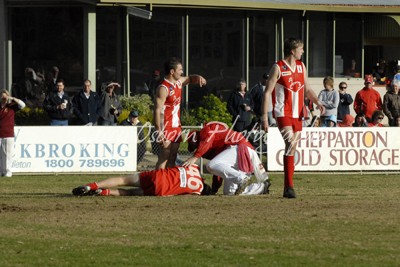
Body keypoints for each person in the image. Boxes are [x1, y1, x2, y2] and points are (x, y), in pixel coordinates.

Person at [261, 37, 325, 199]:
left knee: (292, 147)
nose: (303, 51)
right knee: (290, 142)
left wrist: (317, 102)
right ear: (292, 50)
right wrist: (264, 117)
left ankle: (287, 187)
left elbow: (308, 88)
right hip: (283, 112)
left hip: (298, 113)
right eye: (301, 49)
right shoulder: (278, 67)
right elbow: (267, 92)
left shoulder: (301, 66)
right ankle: (289, 187)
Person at [183, 121, 270, 196]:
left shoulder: (206, 130)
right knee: (230, 192)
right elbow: (219, 171)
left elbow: (207, 141)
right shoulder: (214, 146)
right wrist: (214, 189)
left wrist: (195, 156)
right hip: (242, 151)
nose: (197, 148)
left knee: (211, 165)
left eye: (195, 146)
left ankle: (241, 178)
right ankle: (261, 188)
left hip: (239, 147)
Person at [153, 57, 206, 169]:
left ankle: (170, 183)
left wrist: (199, 77)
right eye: (180, 69)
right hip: (166, 126)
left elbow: (190, 79)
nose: (182, 72)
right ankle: (158, 183)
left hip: (176, 126)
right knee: (165, 156)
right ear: (172, 71)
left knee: (173, 156)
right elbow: (157, 110)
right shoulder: (163, 88)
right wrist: (159, 131)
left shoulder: (179, 82)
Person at [72, 164, 211, 196]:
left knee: (123, 179)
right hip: (162, 190)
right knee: (131, 193)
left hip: (158, 176)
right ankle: (104, 192)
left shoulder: (194, 166)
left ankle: (91, 186)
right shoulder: (197, 190)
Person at [0, 89, 26, 177]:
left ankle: (8, 171)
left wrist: (12, 98)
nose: (3, 98)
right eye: (2, 96)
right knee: (1, 154)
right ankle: (1, 171)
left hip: (8, 133)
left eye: (5, 96)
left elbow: (23, 105)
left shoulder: (12, 106)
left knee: (7, 154)